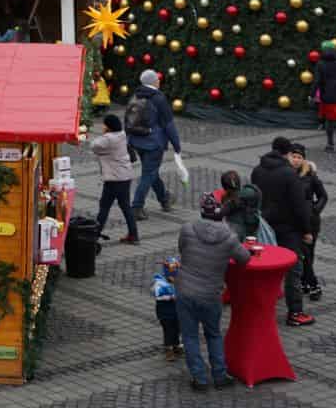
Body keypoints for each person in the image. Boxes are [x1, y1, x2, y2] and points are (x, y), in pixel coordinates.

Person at [174, 194, 249, 391]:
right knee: (213, 334)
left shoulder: (187, 229)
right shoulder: (229, 237)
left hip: (185, 291)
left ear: (201, 212)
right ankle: (220, 375)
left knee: (190, 336)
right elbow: (244, 259)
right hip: (210, 294)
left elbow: (182, 249)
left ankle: (199, 379)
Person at [253, 136, 316, 326]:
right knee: (293, 270)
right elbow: (299, 206)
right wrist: (307, 230)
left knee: (265, 268)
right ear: (288, 153)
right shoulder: (289, 174)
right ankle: (295, 312)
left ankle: (261, 309)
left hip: (265, 226)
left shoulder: (258, 170)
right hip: (288, 229)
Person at [125, 69, 181, 218]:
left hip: (138, 141)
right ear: (153, 82)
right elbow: (169, 124)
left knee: (151, 171)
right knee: (148, 174)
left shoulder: (135, 94)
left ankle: (164, 199)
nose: (159, 81)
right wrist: (176, 145)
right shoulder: (158, 98)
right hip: (153, 143)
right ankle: (136, 207)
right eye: (157, 79)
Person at [88, 114, 139, 244]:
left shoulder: (109, 139)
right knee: (125, 206)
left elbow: (94, 145)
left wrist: (103, 134)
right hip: (124, 177)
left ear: (108, 126)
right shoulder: (121, 134)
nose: (103, 126)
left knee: (104, 207)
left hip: (115, 179)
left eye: (104, 124)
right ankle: (133, 235)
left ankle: (94, 236)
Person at [290, 143, 330, 301]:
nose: (296, 160)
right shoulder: (285, 174)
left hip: (311, 221)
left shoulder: (310, 176)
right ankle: (310, 283)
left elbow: (323, 196)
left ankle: (307, 282)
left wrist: (315, 210)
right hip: (293, 220)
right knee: (302, 253)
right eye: (294, 156)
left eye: (299, 157)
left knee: (309, 253)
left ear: (303, 160)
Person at [153, 256, 181, 363]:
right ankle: (168, 349)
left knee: (177, 328)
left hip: (177, 311)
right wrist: (170, 297)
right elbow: (157, 295)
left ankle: (176, 345)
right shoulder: (160, 282)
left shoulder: (178, 280)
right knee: (168, 330)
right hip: (165, 312)